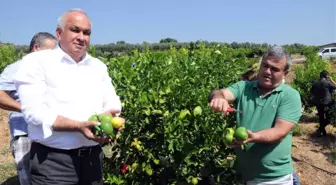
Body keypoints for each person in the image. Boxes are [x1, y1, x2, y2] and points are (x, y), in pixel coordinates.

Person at [13, 8, 123, 185]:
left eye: (87, 33)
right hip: (53, 162)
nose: (81, 37)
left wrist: (113, 115)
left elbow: (111, 99)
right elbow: (34, 112)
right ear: (59, 33)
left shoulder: (98, 66)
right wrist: (78, 126)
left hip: (92, 160)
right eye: (75, 30)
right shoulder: (37, 62)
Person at [209, 46, 302, 185]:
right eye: (265, 65)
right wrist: (218, 98)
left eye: (274, 69)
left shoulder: (289, 96)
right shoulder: (244, 87)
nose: (267, 71)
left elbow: (280, 131)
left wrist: (254, 137)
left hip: (274, 178)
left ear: (285, 73)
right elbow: (219, 92)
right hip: (245, 176)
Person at [0, 32, 57, 185]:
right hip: (24, 132)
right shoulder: (16, 69)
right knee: (27, 176)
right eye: (50, 51)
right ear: (36, 48)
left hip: (49, 131)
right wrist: (25, 108)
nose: (54, 55)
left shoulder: (51, 71)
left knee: (49, 175)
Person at [310, 70, 336, 136]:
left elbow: (312, 91)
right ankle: (320, 129)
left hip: (318, 103)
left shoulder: (315, 83)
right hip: (327, 103)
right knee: (329, 118)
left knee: (321, 117)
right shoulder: (328, 82)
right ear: (327, 76)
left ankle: (323, 133)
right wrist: (332, 80)